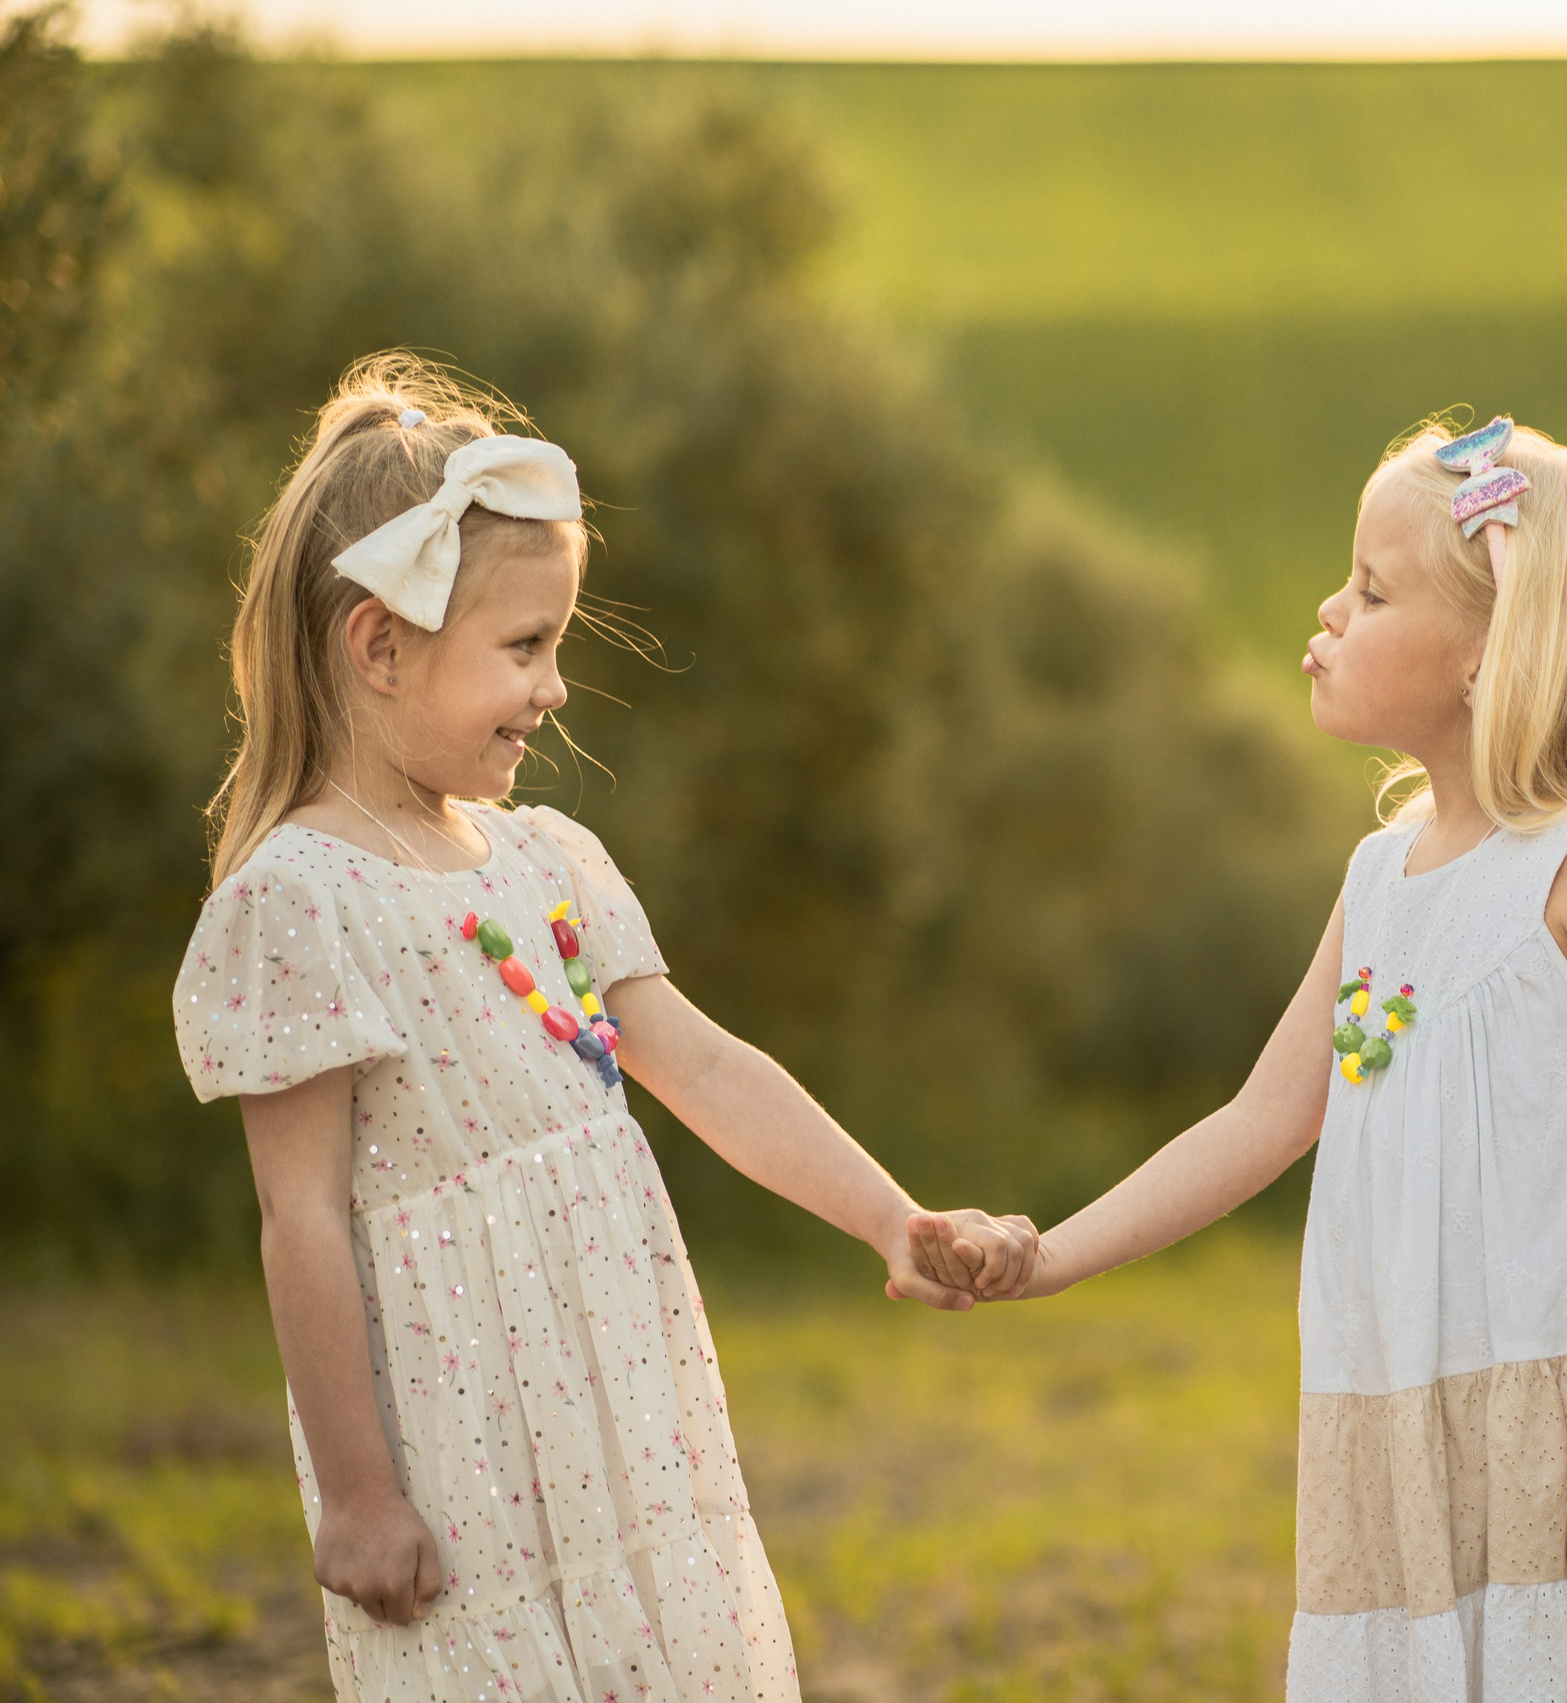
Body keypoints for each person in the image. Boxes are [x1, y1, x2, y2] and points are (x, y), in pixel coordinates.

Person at [911, 418, 1567, 1700]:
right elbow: (1264, 1115)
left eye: (1371, 590)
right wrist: (1051, 1254)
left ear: (1491, 652)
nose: (1328, 606)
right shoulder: (1383, 878)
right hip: (1428, 1424)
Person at [172, 353, 1032, 1703]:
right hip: (460, 1447)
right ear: (379, 646)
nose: (557, 687)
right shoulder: (301, 901)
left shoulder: (550, 861)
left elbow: (700, 1062)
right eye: (524, 648)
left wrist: (890, 1215)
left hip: (624, 1414)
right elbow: (303, 1215)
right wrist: (356, 1491)